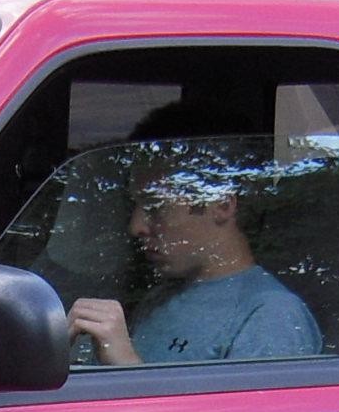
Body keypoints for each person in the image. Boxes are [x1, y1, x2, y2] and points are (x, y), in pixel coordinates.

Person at [67, 152, 323, 366]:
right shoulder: (162, 297)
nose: (136, 227)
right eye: (135, 205)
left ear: (221, 204)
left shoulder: (271, 315)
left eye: (156, 206)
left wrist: (126, 365)